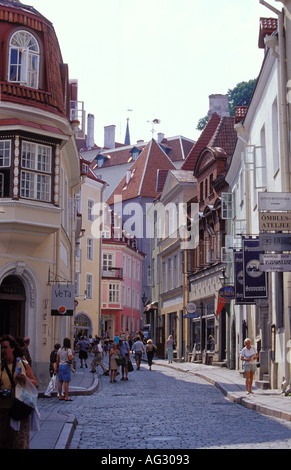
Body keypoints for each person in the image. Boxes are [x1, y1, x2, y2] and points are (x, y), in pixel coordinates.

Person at [0, 335, 37, 449]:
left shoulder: (23, 364)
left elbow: (34, 383)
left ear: (12, 348)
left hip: (19, 407)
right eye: (1, 348)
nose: (3, 350)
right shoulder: (0, 366)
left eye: (5, 347)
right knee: (4, 441)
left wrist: (25, 379)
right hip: (3, 409)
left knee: (20, 441)